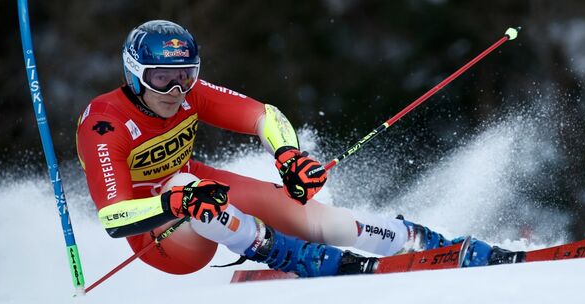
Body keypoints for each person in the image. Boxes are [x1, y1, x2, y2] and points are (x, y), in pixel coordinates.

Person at [76, 20, 520, 278]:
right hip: (160, 237)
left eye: (186, 75)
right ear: (135, 74)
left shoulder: (191, 93)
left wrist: (289, 155)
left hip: (195, 194)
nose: (175, 89)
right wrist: (177, 199)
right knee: (187, 183)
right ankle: (288, 255)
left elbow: (263, 115)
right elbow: (113, 217)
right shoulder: (105, 124)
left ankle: (417, 240)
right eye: (161, 78)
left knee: (301, 209)